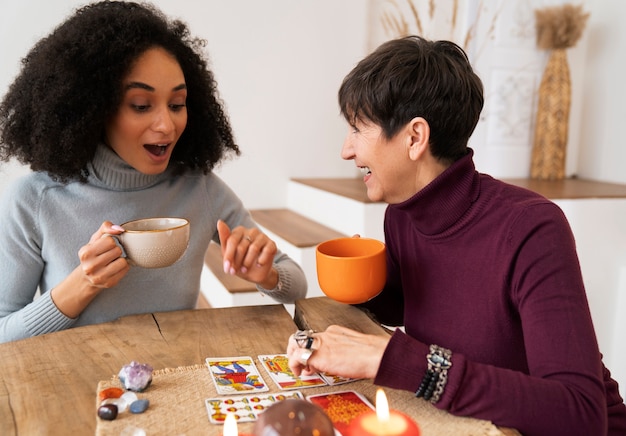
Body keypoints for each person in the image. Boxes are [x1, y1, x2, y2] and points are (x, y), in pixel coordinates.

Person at [286, 36, 626, 435]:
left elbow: (580, 415)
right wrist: (362, 282)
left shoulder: (532, 228)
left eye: (359, 128)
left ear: (415, 138)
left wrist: (400, 361)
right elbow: (417, 305)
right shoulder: (401, 215)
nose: (346, 149)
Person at [0, 1, 307, 344]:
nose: (166, 125)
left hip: (178, 381)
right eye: (141, 106)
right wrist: (82, 285)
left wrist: (267, 275)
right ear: (93, 109)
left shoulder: (200, 190)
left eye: (177, 105)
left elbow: (295, 280)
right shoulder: (32, 200)